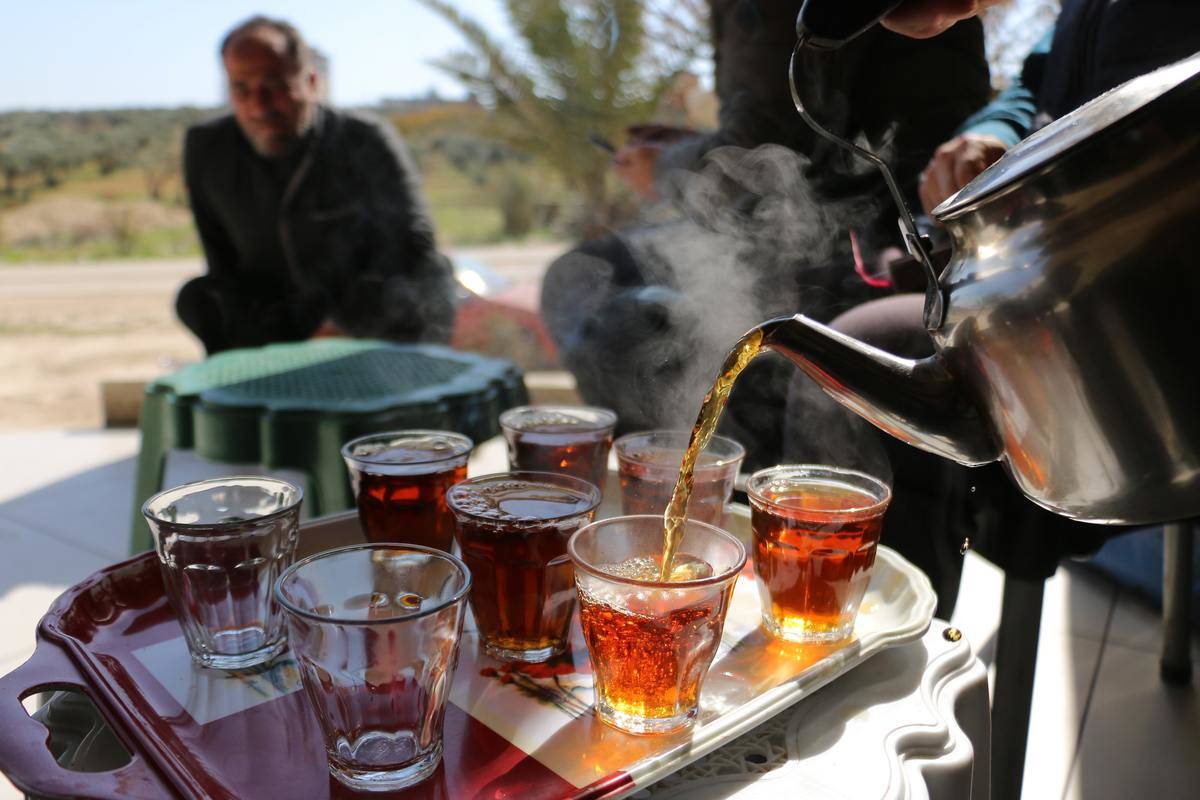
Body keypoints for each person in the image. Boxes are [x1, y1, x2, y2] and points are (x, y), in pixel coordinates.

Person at [787, 0, 1200, 615]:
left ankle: (896, 655)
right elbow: (1035, 86)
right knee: (850, 338)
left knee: (880, 341)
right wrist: (992, 134)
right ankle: (863, 639)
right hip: (1054, 268)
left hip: (1157, 284)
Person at [540, 0, 991, 469]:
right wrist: (682, 148)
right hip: (840, 212)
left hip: (872, 231)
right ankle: (691, 473)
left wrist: (663, 168)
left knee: (588, 289)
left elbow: (759, 151)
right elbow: (770, 131)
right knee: (595, 276)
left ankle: (703, 477)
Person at [176, 16, 456, 355]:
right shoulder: (208, 148)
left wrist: (344, 326)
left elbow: (414, 242)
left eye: (274, 85)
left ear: (310, 81)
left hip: (363, 319)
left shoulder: (363, 139)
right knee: (198, 298)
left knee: (432, 275)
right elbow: (221, 265)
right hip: (274, 321)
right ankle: (244, 392)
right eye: (241, 89)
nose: (259, 106)